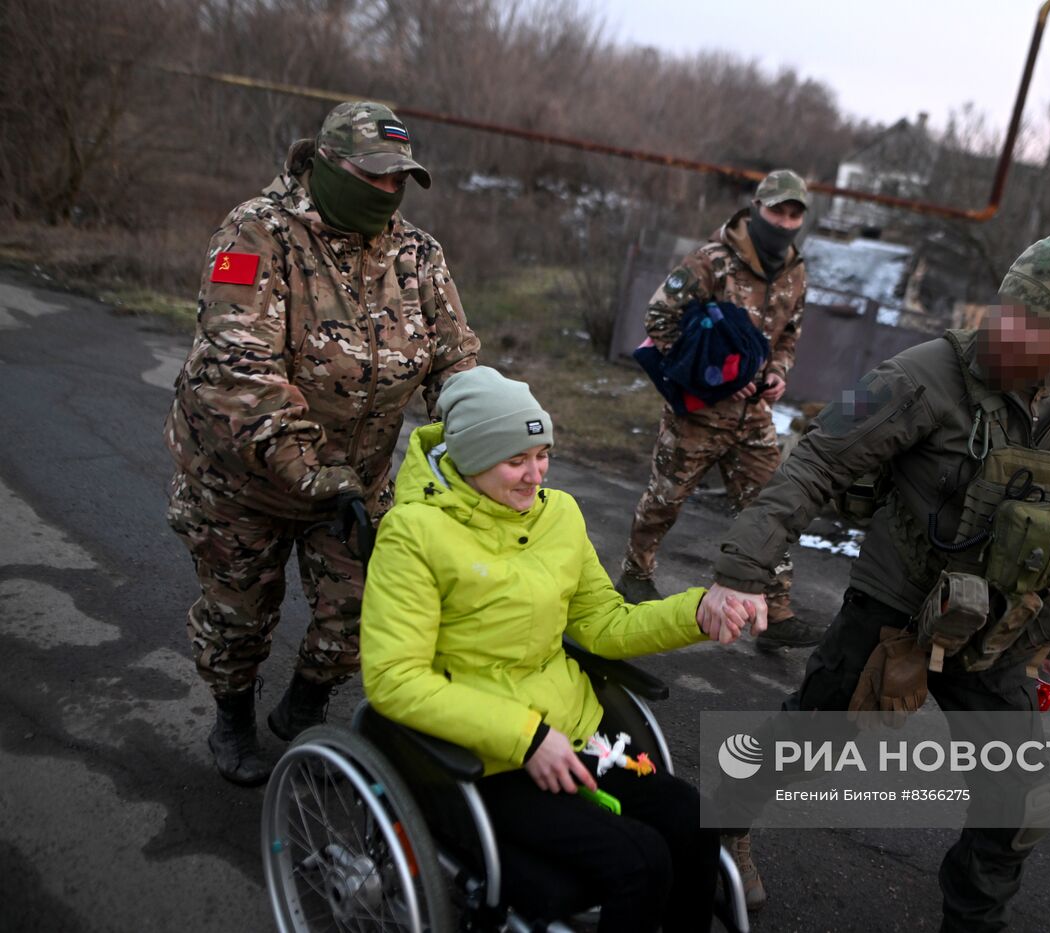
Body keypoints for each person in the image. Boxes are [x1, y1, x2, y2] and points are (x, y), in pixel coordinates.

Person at [700, 232, 1050, 926]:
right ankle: (722, 829)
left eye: (1038, 325)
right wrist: (741, 570)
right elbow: (815, 463)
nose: (1012, 330)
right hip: (896, 604)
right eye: (1010, 308)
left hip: (999, 629)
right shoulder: (921, 374)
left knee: (1018, 800)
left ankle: (974, 921)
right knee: (811, 738)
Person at [360, 367, 749, 932]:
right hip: (481, 758)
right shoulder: (414, 534)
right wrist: (526, 738)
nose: (534, 475)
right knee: (639, 860)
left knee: (692, 817)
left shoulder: (558, 514)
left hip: (574, 734)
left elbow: (604, 624)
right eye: (516, 460)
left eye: (542, 455)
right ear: (470, 456)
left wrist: (696, 612)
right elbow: (395, 678)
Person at [165, 101, 479, 785]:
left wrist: (490, 439)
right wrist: (314, 473)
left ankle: (303, 705)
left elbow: (455, 361)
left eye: (401, 179)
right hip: (243, 478)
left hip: (352, 481)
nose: (389, 192)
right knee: (238, 614)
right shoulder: (256, 234)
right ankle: (232, 716)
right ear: (327, 163)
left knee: (366, 606)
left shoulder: (417, 255)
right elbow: (238, 371)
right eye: (376, 176)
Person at [615, 169, 823, 650]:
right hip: (698, 415)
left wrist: (779, 371)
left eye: (795, 214)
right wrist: (704, 379)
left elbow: (789, 332)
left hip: (753, 417)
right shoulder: (713, 262)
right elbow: (658, 317)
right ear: (757, 208)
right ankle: (635, 574)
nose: (786, 222)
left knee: (771, 507)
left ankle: (778, 609)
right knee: (666, 498)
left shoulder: (796, 271)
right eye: (778, 211)